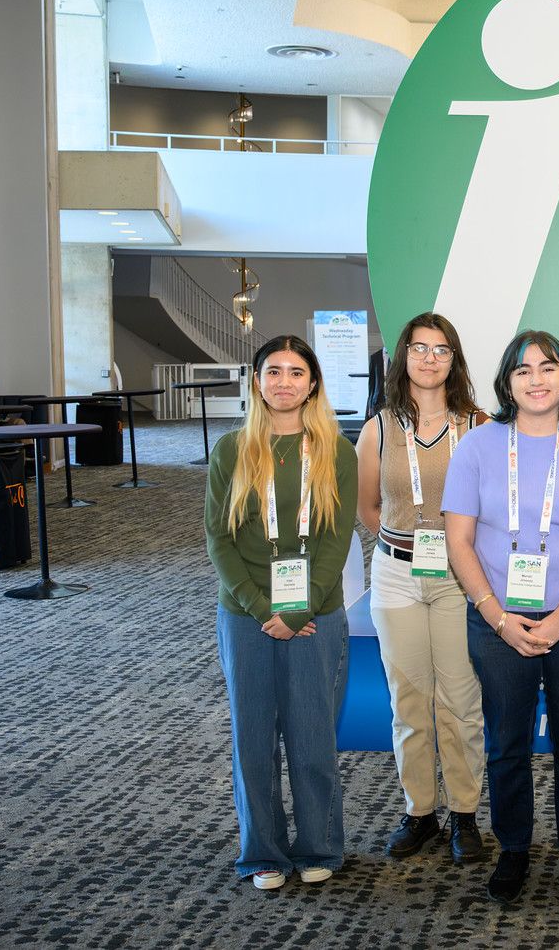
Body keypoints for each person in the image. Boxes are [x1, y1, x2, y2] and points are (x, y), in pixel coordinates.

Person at [444, 330, 559, 909]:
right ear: (507, 382)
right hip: (498, 622)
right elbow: (459, 542)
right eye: (523, 370)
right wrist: (498, 618)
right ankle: (514, 849)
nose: (537, 379)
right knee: (506, 744)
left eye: (548, 368)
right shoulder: (477, 447)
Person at [205, 335, 358, 891]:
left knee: (312, 734)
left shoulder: (337, 451)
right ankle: (261, 854)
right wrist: (260, 607)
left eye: (296, 372)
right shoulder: (231, 450)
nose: (285, 382)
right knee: (253, 737)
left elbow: (337, 539)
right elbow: (218, 540)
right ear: (257, 381)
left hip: (317, 612)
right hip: (245, 614)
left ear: (312, 383)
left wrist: (299, 611)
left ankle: (318, 845)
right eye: (274, 371)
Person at [356, 313, 488, 864]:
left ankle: (464, 814)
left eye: (442, 350)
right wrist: (402, 544)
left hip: (459, 576)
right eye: (419, 348)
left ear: (454, 360)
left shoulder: (478, 426)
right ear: (402, 357)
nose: (430, 359)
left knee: (460, 701)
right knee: (409, 700)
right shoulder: (378, 428)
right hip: (395, 573)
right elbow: (368, 506)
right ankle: (419, 811)